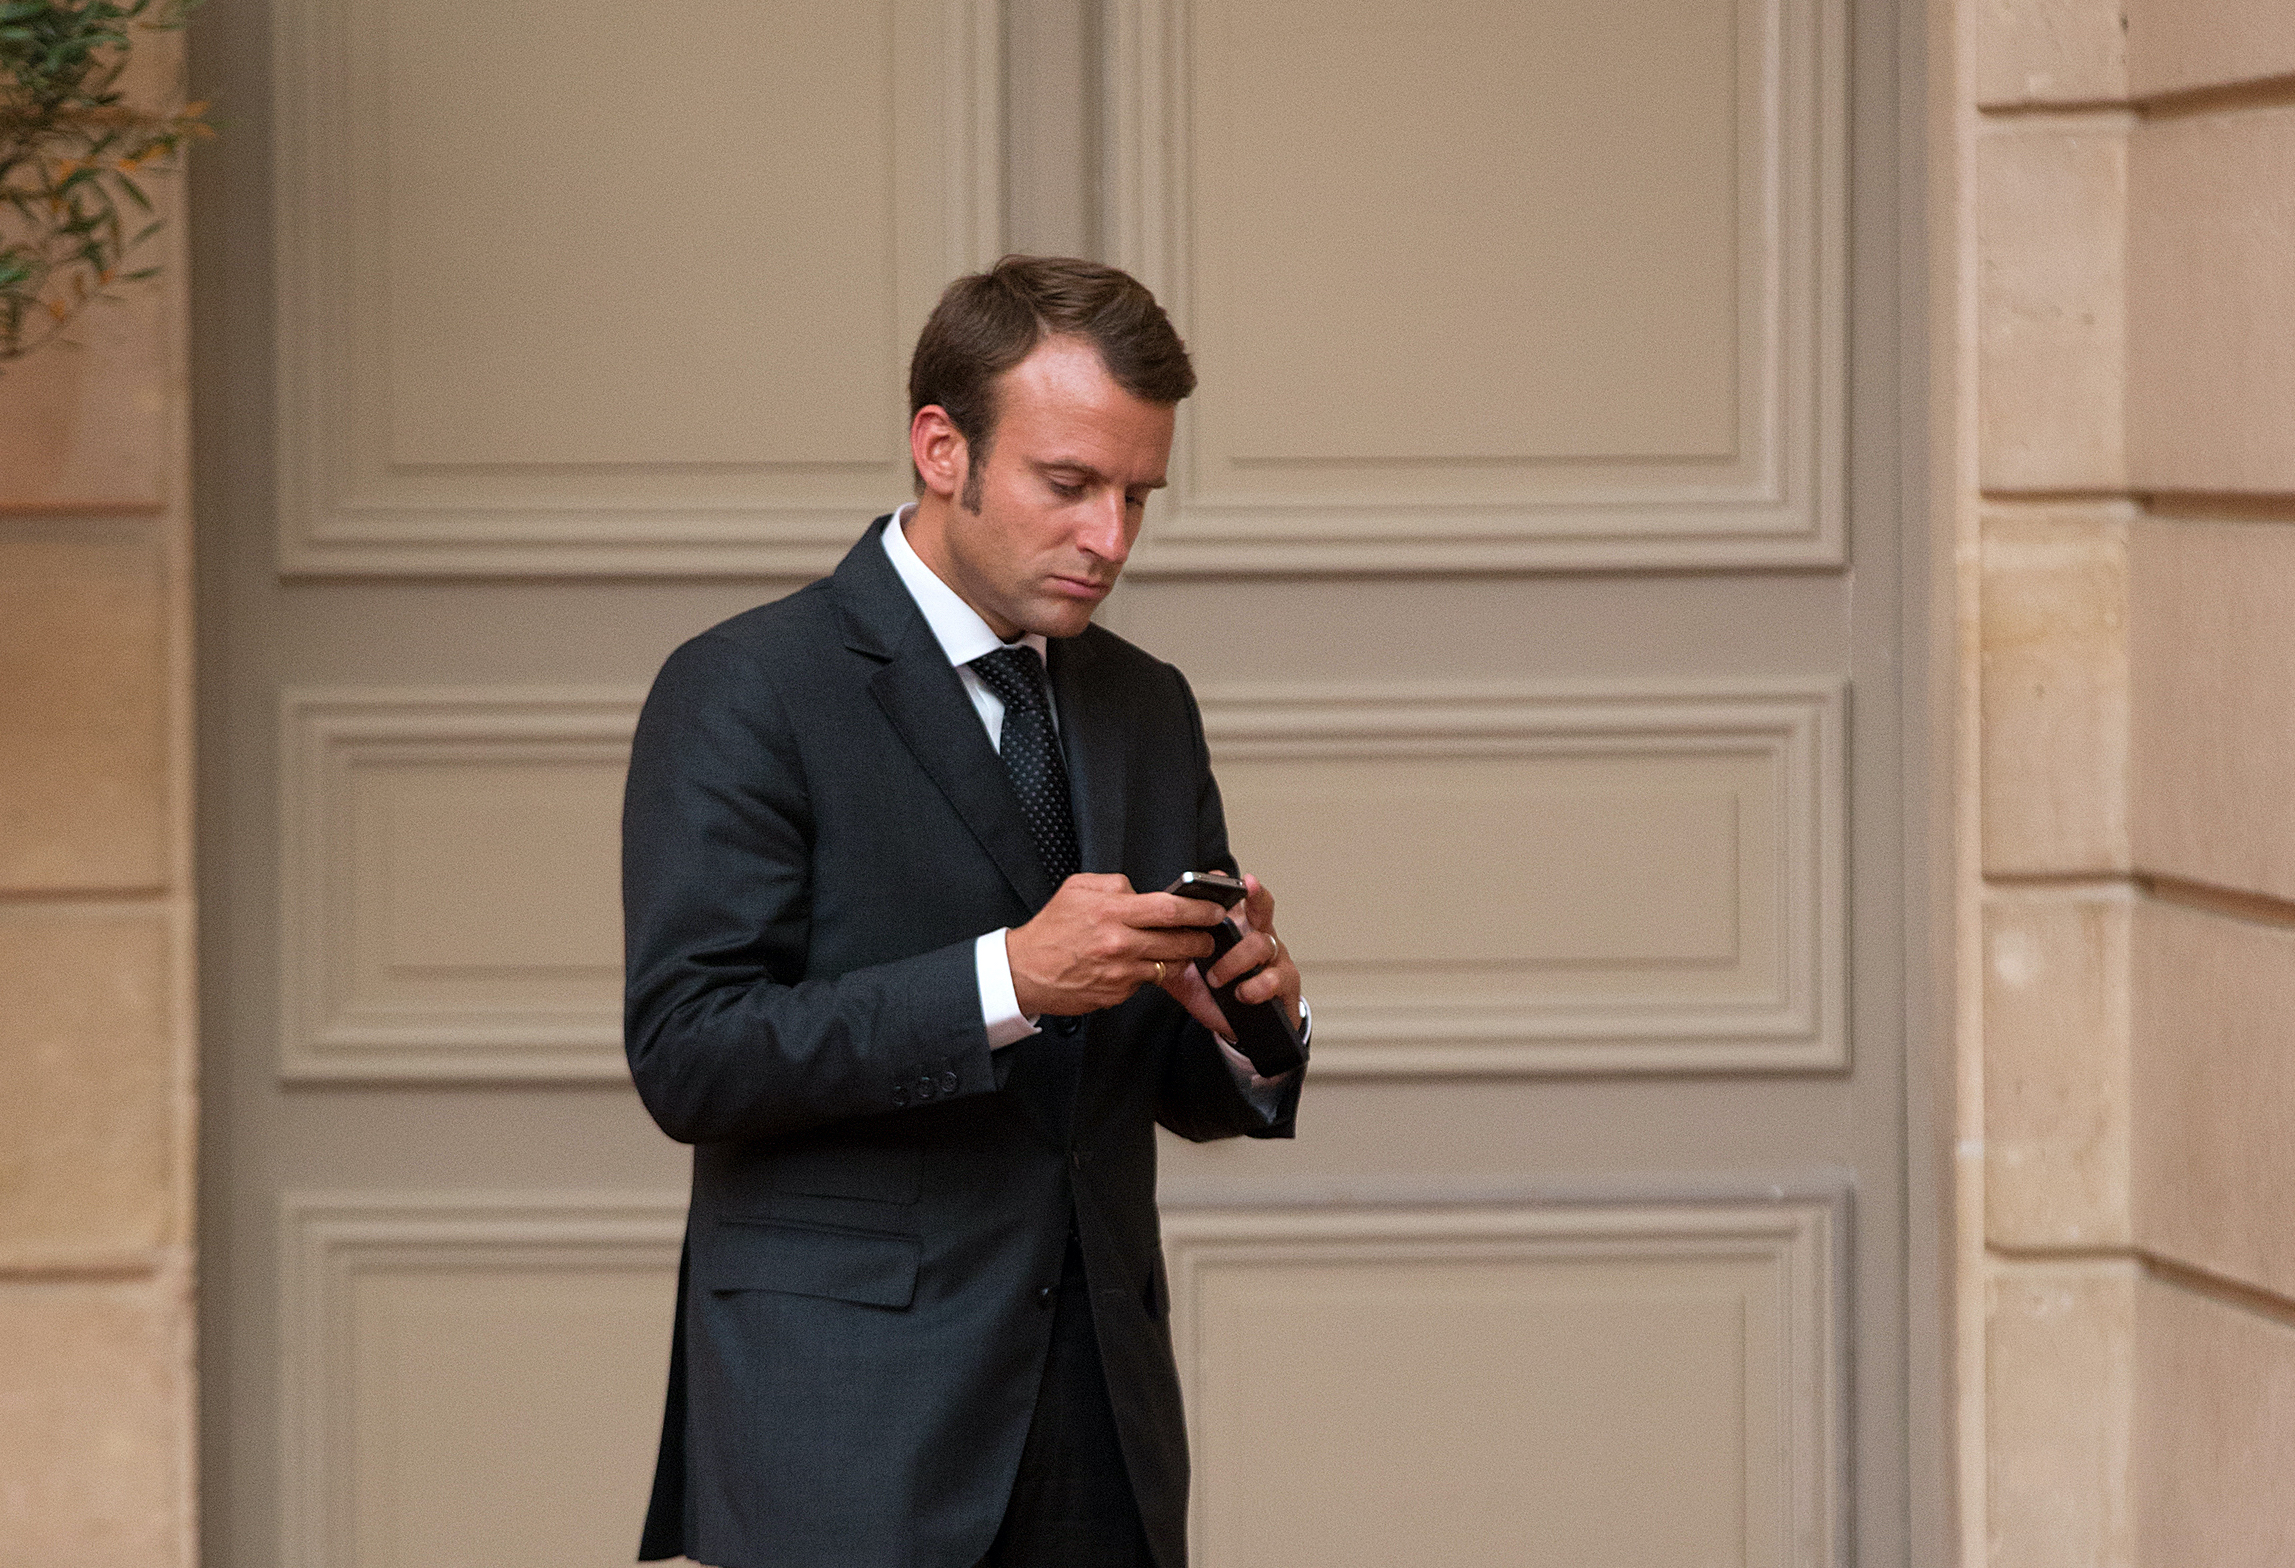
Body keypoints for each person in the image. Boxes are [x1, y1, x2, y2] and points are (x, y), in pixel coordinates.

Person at [622, 255, 1306, 1568]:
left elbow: (1165, 1081)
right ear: (944, 448)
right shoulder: (746, 688)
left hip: (1101, 1435)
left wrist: (1243, 1018)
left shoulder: (1144, 702)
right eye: (1070, 486)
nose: (1111, 537)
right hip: (846, 1433)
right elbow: (692, 1054)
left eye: (1137, 495)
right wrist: (1008, 980)